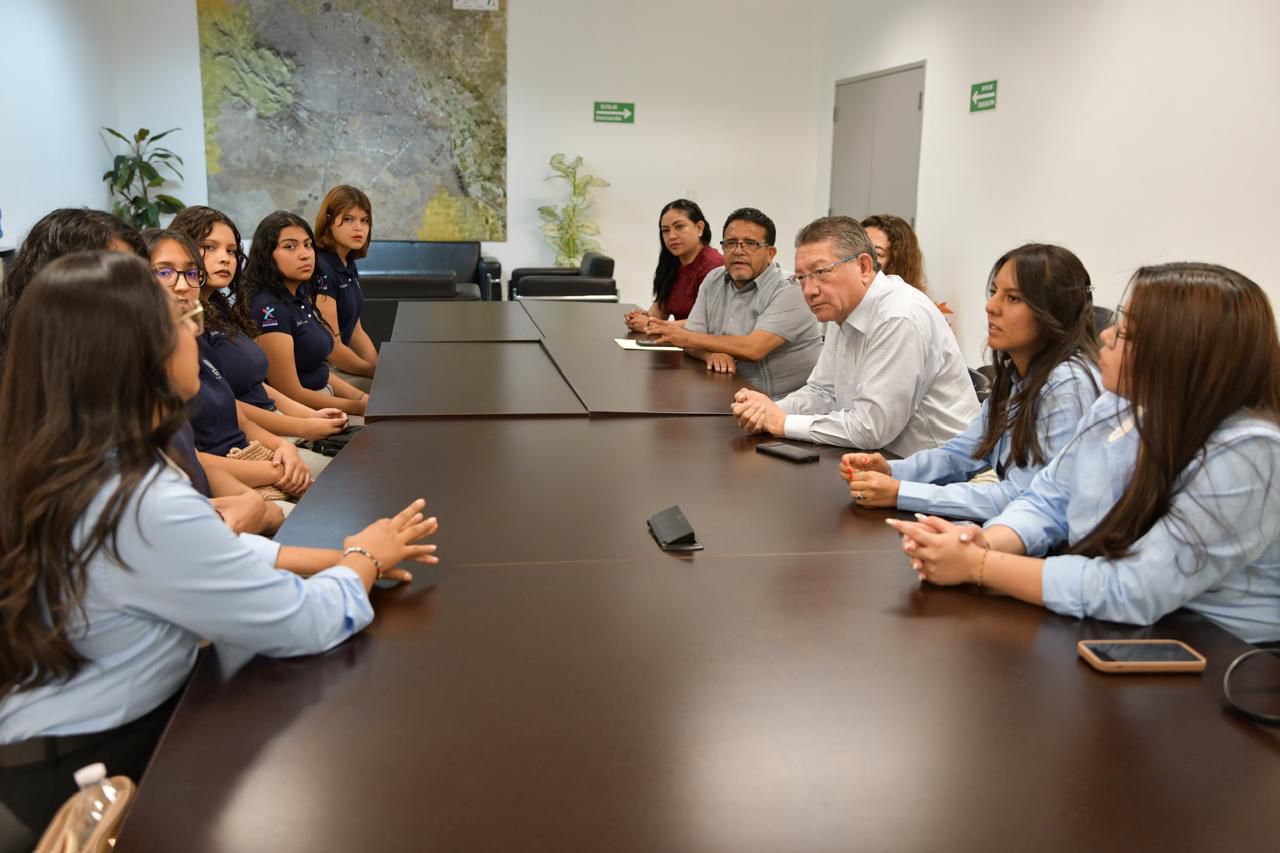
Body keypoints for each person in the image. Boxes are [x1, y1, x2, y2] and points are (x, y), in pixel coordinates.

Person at [0, 250, 439, 835]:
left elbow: (204, 556)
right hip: (88, 772)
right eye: (182, 325)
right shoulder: (141, 500)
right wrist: (363, 560)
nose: (195, 331)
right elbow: (302, 623)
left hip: (45, 743)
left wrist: (344, 552)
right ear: (140, 355)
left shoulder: (72, 460)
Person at [888, 262, 1280, 644]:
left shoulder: (1248, 452)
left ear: (1182, 356)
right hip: (1122, 623)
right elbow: (1049, 499)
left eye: (1126, 333)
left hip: (1218, 653)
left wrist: (981, 566)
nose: (1105, 336)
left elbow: (1135, 588)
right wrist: (982, 543)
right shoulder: (1120, 403)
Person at [0, 208, 281, 536]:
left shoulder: (140, 358)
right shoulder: (51, 397)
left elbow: (183, 458)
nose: (141, 293)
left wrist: (247, 503)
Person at [841, 244, 1101, 520]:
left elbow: (1026, 498)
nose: (991, 306)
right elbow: (964, 453)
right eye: (994, 293)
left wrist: (901, 493)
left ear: (1054, 310)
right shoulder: (1017, 375)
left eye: (1012, 298)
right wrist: (892, 471)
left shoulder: (1067, 385)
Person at [732, 216, 979, 452]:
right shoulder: (842, 308)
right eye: (801, 278)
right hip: (886, 461)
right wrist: (767, 410)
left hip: (945, 474)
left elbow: (871, 428)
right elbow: (823, 393)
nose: (809, 290)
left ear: (863, 266)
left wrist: (782, 423)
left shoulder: (899, 316)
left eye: (820, 272)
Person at [143, 229, 320, 493]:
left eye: (191, 273)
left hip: (254, 458)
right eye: (165, 272)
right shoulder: (141, 360)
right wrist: (279, 467)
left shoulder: (198, 335)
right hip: (230, 480)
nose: (183, 285)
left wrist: (285, 448)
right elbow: (190, 461)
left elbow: (241, 421)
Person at [170, 206, 350, 444]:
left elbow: (258, 385)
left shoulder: (219, 308)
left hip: (280, 423)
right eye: (210, 247)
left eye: (231, 250)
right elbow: (229, 405)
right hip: (248, 441)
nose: (224, 258)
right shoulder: (185, 323)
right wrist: (304, 426)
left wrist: (310, 416)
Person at [645, 208, 822, 397]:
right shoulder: (714, 279)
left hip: (781, 404)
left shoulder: (790, 288)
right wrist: (709, 354)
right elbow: (692, 343)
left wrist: (684, 337)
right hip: (726, 393)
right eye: (730, 243)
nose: (738, 251)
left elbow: (754, 348)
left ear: (770, 253)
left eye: (750, 243)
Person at [243, 212, 368, 416]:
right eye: (290, 246)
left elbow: (321, 371)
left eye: (308, 245)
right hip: (303, 414)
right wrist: (357, 408)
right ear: (266, 255)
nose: (305, 254)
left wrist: (362, 399)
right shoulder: (269, 309)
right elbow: (290, 392)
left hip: (326, 400)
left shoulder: (300, 294)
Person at [313, 185, 378, 391]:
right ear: (329, 222)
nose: (359, 228)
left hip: (342, 368)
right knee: (395, 392)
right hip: (323, 373)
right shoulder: (321, 267)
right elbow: (333, 349)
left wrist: (378, 367)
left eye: (364, 220)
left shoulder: (346, 262)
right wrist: (373, 371)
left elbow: (356, 330)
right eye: (349, 219)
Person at [624, 199, 723, 332]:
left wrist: (651, 324)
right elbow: (660, 309)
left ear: (699, 228)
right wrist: (639, 318)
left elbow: (708, 323)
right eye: (665, 230)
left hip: (703, 346)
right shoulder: (673, 263)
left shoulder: (714, 266)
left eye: (679, 227)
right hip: (679, 343)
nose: (671, 236)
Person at [860, 214, 927, 293]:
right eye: (858, 247)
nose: (860, 257)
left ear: (897, 264)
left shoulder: (900, 302)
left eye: (877, 253)